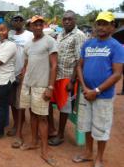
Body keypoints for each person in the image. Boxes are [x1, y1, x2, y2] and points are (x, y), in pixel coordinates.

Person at [73, 12, 124, 167]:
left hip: (103, 96)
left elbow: (117, 74)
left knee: (101, 128)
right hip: (86, 93)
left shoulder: (116, 46)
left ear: (112, 27)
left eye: (105, 23)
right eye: (99, 23)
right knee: (87, 125)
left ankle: (99, 158)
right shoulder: (88, 44)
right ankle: (88, 153)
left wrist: (96, 90)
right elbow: (79, 67)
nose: (101, 27)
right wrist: (85, 87)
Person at [19, 15, 58, 166]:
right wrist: (23, 83)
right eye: (35, 24)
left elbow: (54, 65)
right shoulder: (28, 45)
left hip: (42, 86)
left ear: (44, 26)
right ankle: (34, 142)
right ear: (30, 26)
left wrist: (50, 87)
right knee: (32, 114)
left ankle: (45, 151)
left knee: (42, 118)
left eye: (40, 24)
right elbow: (26, 66)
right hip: (28, 85)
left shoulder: (50, 41)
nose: (38, 27)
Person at [48, 10, 86, 146]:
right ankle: (51, 129)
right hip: (56, 75)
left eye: (69, 19)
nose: (67, 21)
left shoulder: (79, 35)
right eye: (64, 19)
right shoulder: (60, 35)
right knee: (49, 102)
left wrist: (72, 80)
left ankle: (60, 135)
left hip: (67, 76)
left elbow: (79, 60)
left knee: (64, 107)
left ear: (75, 20)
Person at [8, 13, 34, 149]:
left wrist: (25, 72)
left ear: (24, 22)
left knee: (21, 103)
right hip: (10, 74)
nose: (17, 21)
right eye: (15, 19)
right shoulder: (10, 35)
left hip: (24, 74)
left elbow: (32, 53)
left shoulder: (29, 35)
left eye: (20, 19)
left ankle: (19, 131)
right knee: (12, 102)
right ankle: (16, 124)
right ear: (12, 22)